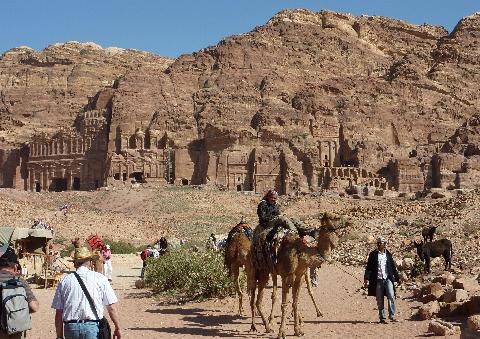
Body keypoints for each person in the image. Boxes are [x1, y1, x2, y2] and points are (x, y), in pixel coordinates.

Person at [52, 246, 121, 339]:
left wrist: (59, 336)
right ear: (90, 262)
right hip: (92, 328)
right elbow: (111, 307)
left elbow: (59, 312)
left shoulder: (64, 280)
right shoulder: (100, 278)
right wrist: (117, 327)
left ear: (75, 264)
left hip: (71, 328)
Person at [0, 246, 39, 339]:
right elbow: (35, 307)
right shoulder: (20, 282)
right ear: (15, 266)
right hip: (16, 331)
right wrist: (16, 312)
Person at [364, 237, 401, 323]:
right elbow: (369, 268)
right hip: (377, 280)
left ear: (385, 244)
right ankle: (382, 318)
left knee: (391, 296)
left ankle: (392, 316)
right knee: (380, 299)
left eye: (381, 243)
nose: (379, 244)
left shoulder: (388, 255)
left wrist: (398, 278)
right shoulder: (373, 255)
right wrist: (366, 278)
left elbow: (393, 267)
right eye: (378, 243)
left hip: (387, 279)